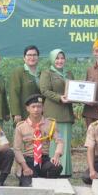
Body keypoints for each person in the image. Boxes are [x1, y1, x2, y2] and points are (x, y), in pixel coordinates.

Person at [13, 94, 63, 186]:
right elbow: (17, 149)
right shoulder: (21, 127)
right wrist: (24, 167)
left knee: (56, 167)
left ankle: (45, 180)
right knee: (28, 184)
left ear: (43, 108)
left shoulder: (51, 124)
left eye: (39, 107)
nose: (36, 109)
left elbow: (59, 141)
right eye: (33, 107)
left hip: (44, 160)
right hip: (28, 161)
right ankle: (29, 177)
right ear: (27, 108)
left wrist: (56, 155)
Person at [39, 48, 74, 177]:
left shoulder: (69, 73)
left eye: (62, 58)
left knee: (65, 141)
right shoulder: (46, 73)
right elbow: (44, 90)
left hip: (67, 112)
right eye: (57, 58)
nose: (60, 61)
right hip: (53, 111)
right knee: (54, 141)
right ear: (52, 59)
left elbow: (74, 90)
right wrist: (59, 98)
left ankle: (66, 171)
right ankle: (54, 168)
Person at [9, 45, 41, 123]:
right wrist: (16, 113)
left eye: (34, 55)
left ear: (38, 58)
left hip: (38, 114)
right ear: (24, 58)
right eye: (29, 55)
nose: (32, 57)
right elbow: (14, 94)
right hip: (23, 114)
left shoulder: (41, 73)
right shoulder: (18, 72)